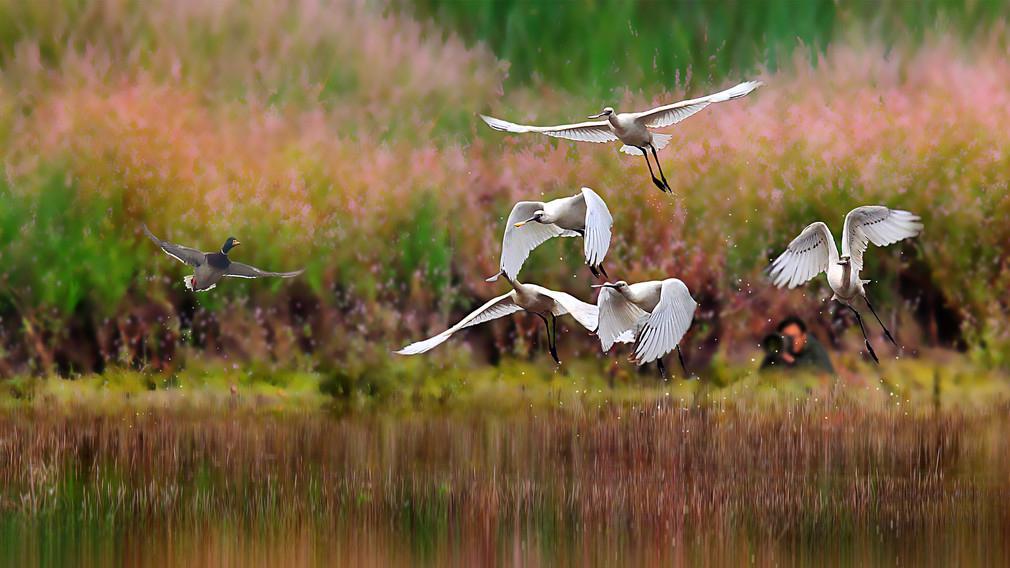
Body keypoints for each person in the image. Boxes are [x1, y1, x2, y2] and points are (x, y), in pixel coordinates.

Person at [760, 316, 834, 374]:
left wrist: (794, 363)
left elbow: (827, 374)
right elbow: (762, 375)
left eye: (793, 337)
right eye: (785, 336)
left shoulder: (815, 348)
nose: (789, 340)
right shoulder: (780, 347)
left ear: (803, 337)